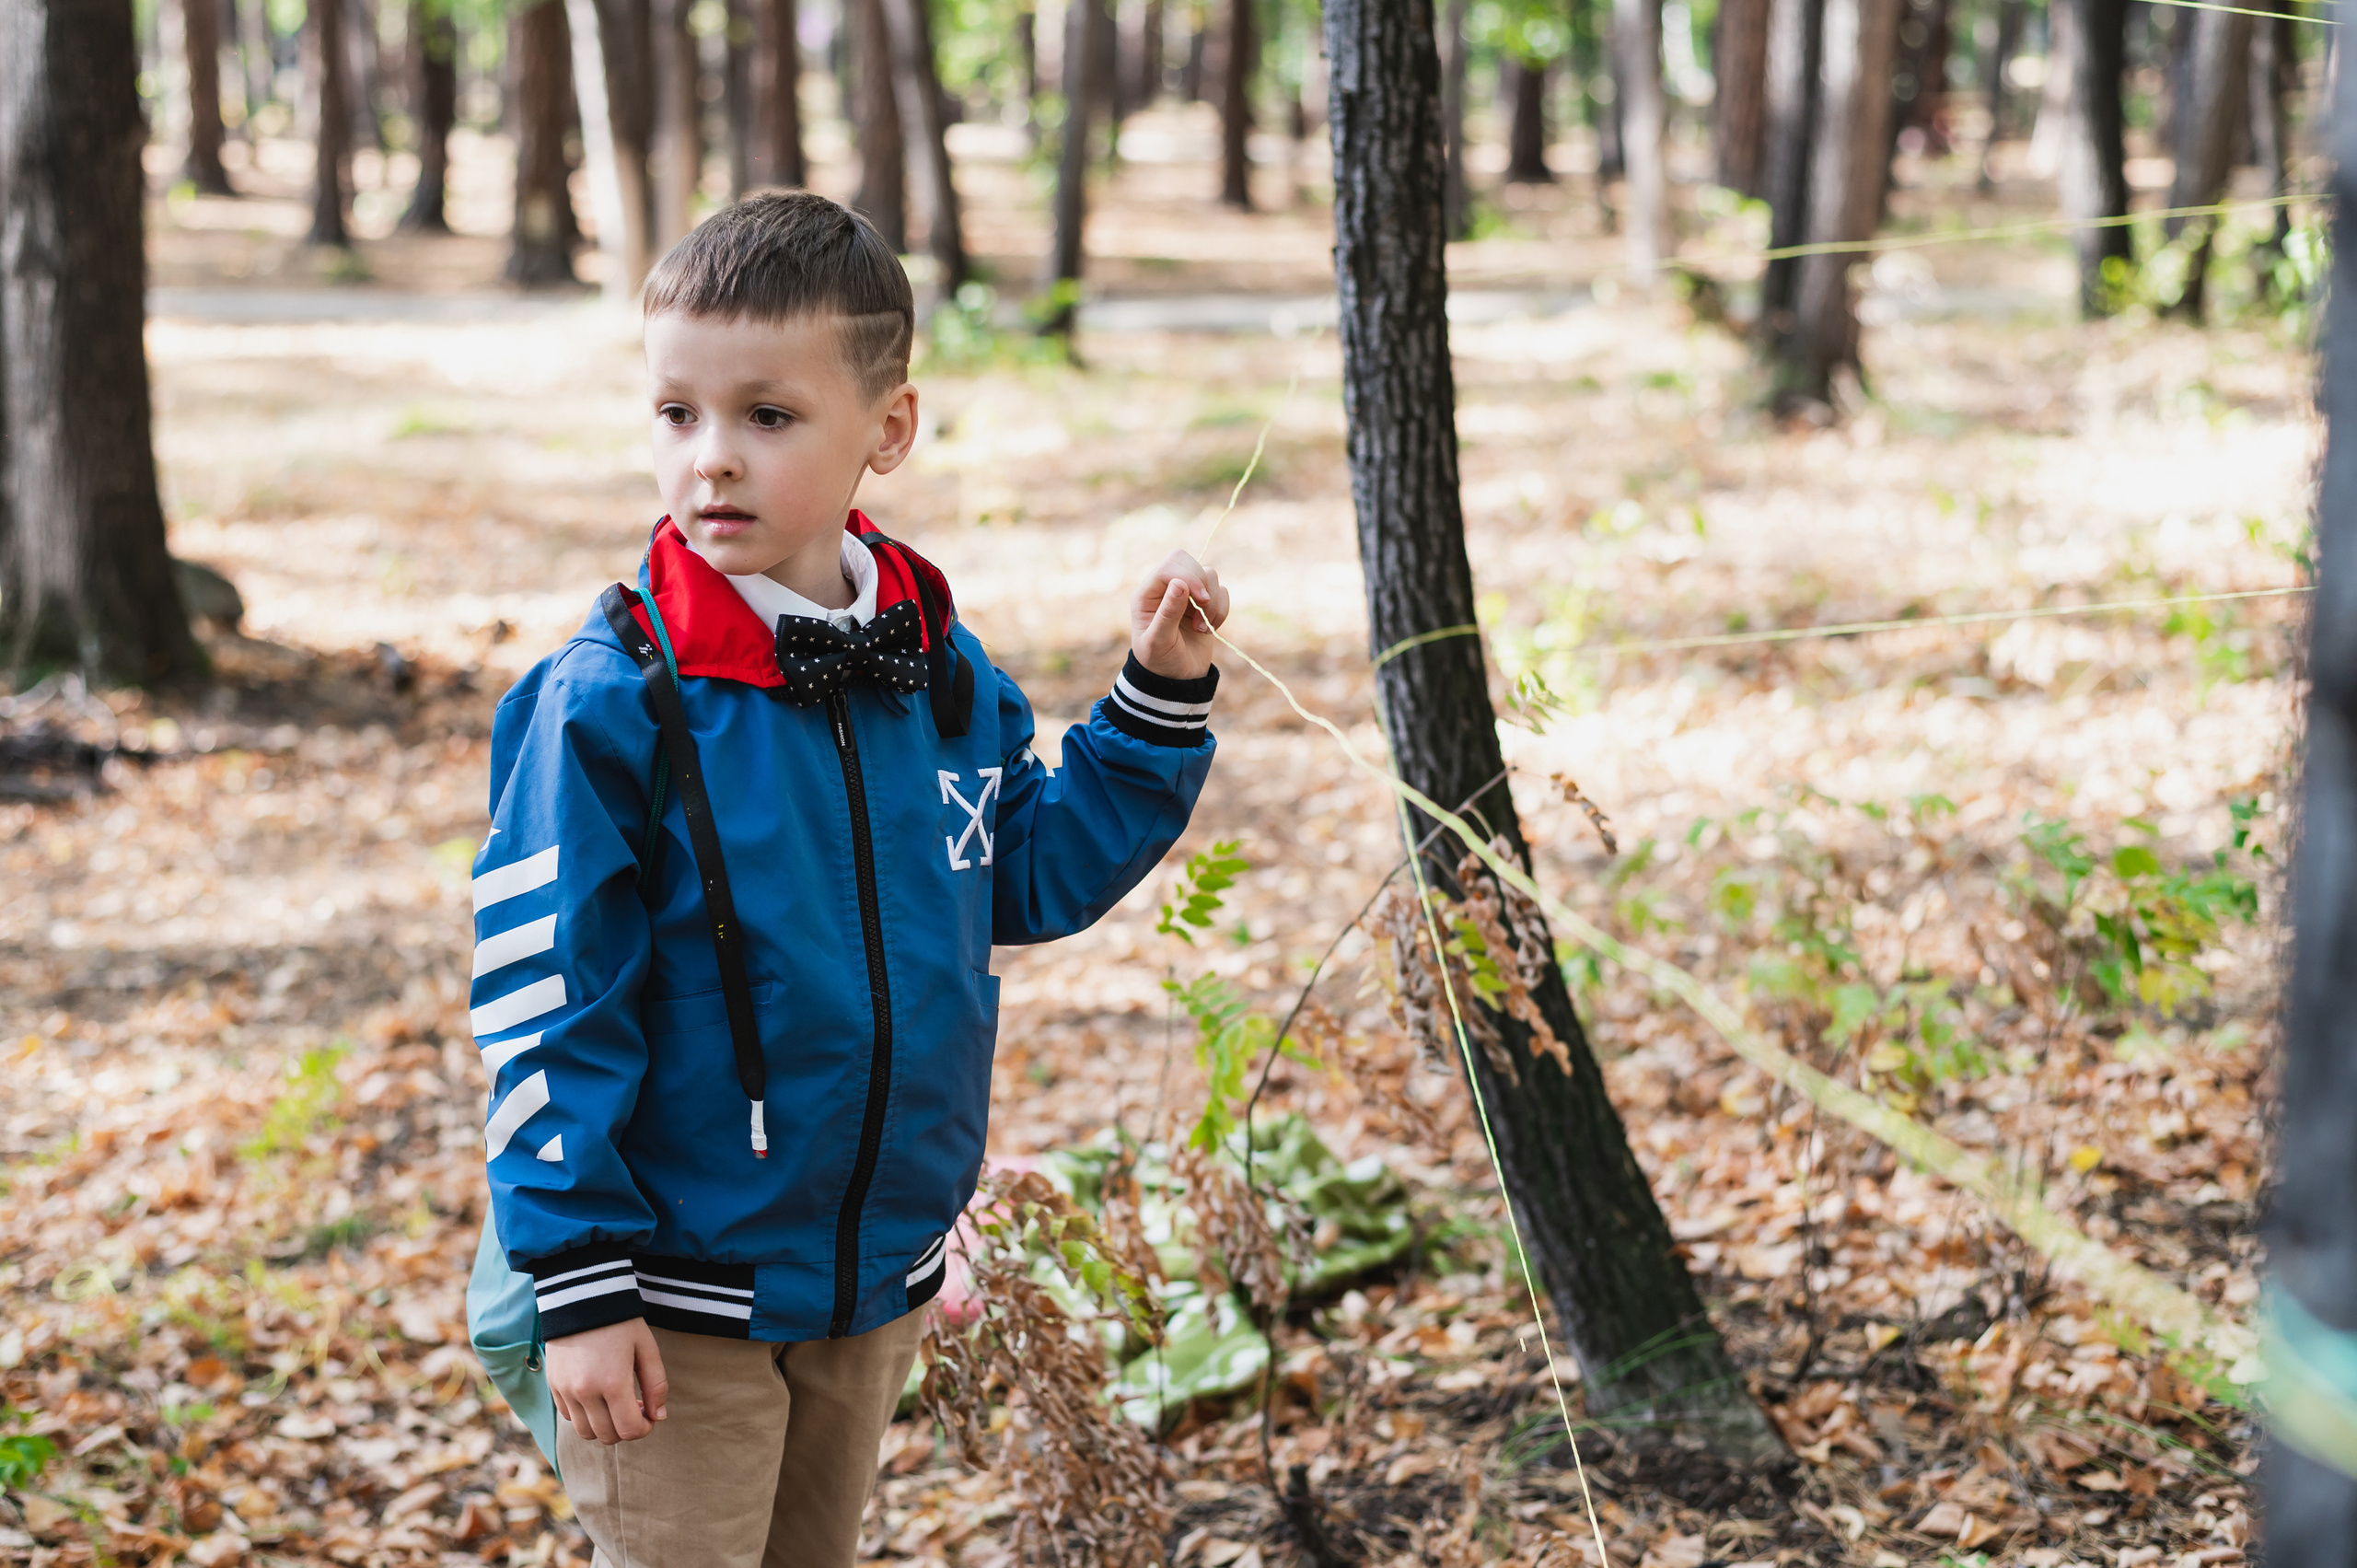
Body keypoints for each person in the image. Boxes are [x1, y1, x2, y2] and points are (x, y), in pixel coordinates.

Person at [468, 190, 1226, 1565]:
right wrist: (578, 1281)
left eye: (767, 415)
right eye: (676, 413)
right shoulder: (610, 699)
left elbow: (1023, 872)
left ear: (889, 428)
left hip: (870, 1279)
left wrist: (1156, 697)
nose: (711, 458)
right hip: (671, 1295)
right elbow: (542, 1001)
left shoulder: (934, 670)